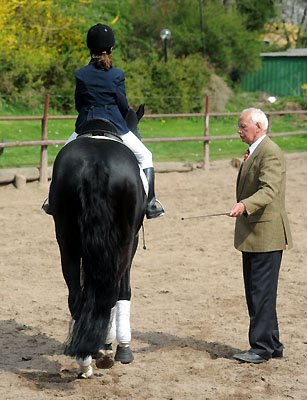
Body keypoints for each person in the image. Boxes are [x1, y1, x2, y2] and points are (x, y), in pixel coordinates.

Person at [44, 23, 164, 219]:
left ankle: (52, 201)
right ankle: (150, 204)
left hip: (85, 124)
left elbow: (78, 104)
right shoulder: (117, 75)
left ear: (89, 49)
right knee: (145, 156)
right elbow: (123, 106)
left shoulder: (80, 74)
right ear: (111, 48)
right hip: (115, 125)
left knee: (61, 158)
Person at [228, 108, 292, 364]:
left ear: (258, 126)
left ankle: (261, 347)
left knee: (260, 293)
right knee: (259, 292)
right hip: (254, 233)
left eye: (243, 126)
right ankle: (273, 343)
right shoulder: (255, 151)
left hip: (266, 234)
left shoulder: (270, 152)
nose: (239, 131)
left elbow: (269, 190)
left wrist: (244, 205)